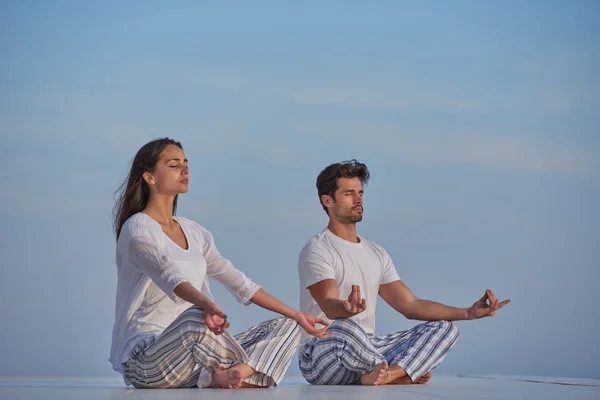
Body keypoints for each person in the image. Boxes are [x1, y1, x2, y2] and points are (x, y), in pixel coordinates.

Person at [109, 138, 330, 389]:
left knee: (290, 324)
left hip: (197, 358)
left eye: (186, 164)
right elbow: (168, 275)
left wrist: (297, 315)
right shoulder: (137, 228)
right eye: (173, 165)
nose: (184, 170)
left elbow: (239, 282)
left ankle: (227, 374)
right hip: (147, 361)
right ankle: (234, 373)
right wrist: (207, 305)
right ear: (149, 177)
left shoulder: (194, 232)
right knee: (195, 317)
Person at [297, 160, 511, 386]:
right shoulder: (318, 249)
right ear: (327, 201)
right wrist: (345, 308)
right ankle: (403, 371)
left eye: (360, 192)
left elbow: (410, 305)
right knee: (344, 327)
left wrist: (468, 312)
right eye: (349, 193)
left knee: (444, 327)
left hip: (368, 350)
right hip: (324, 352)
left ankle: (388, 375)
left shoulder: (376, 253)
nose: (358, 199)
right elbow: (329, 304)